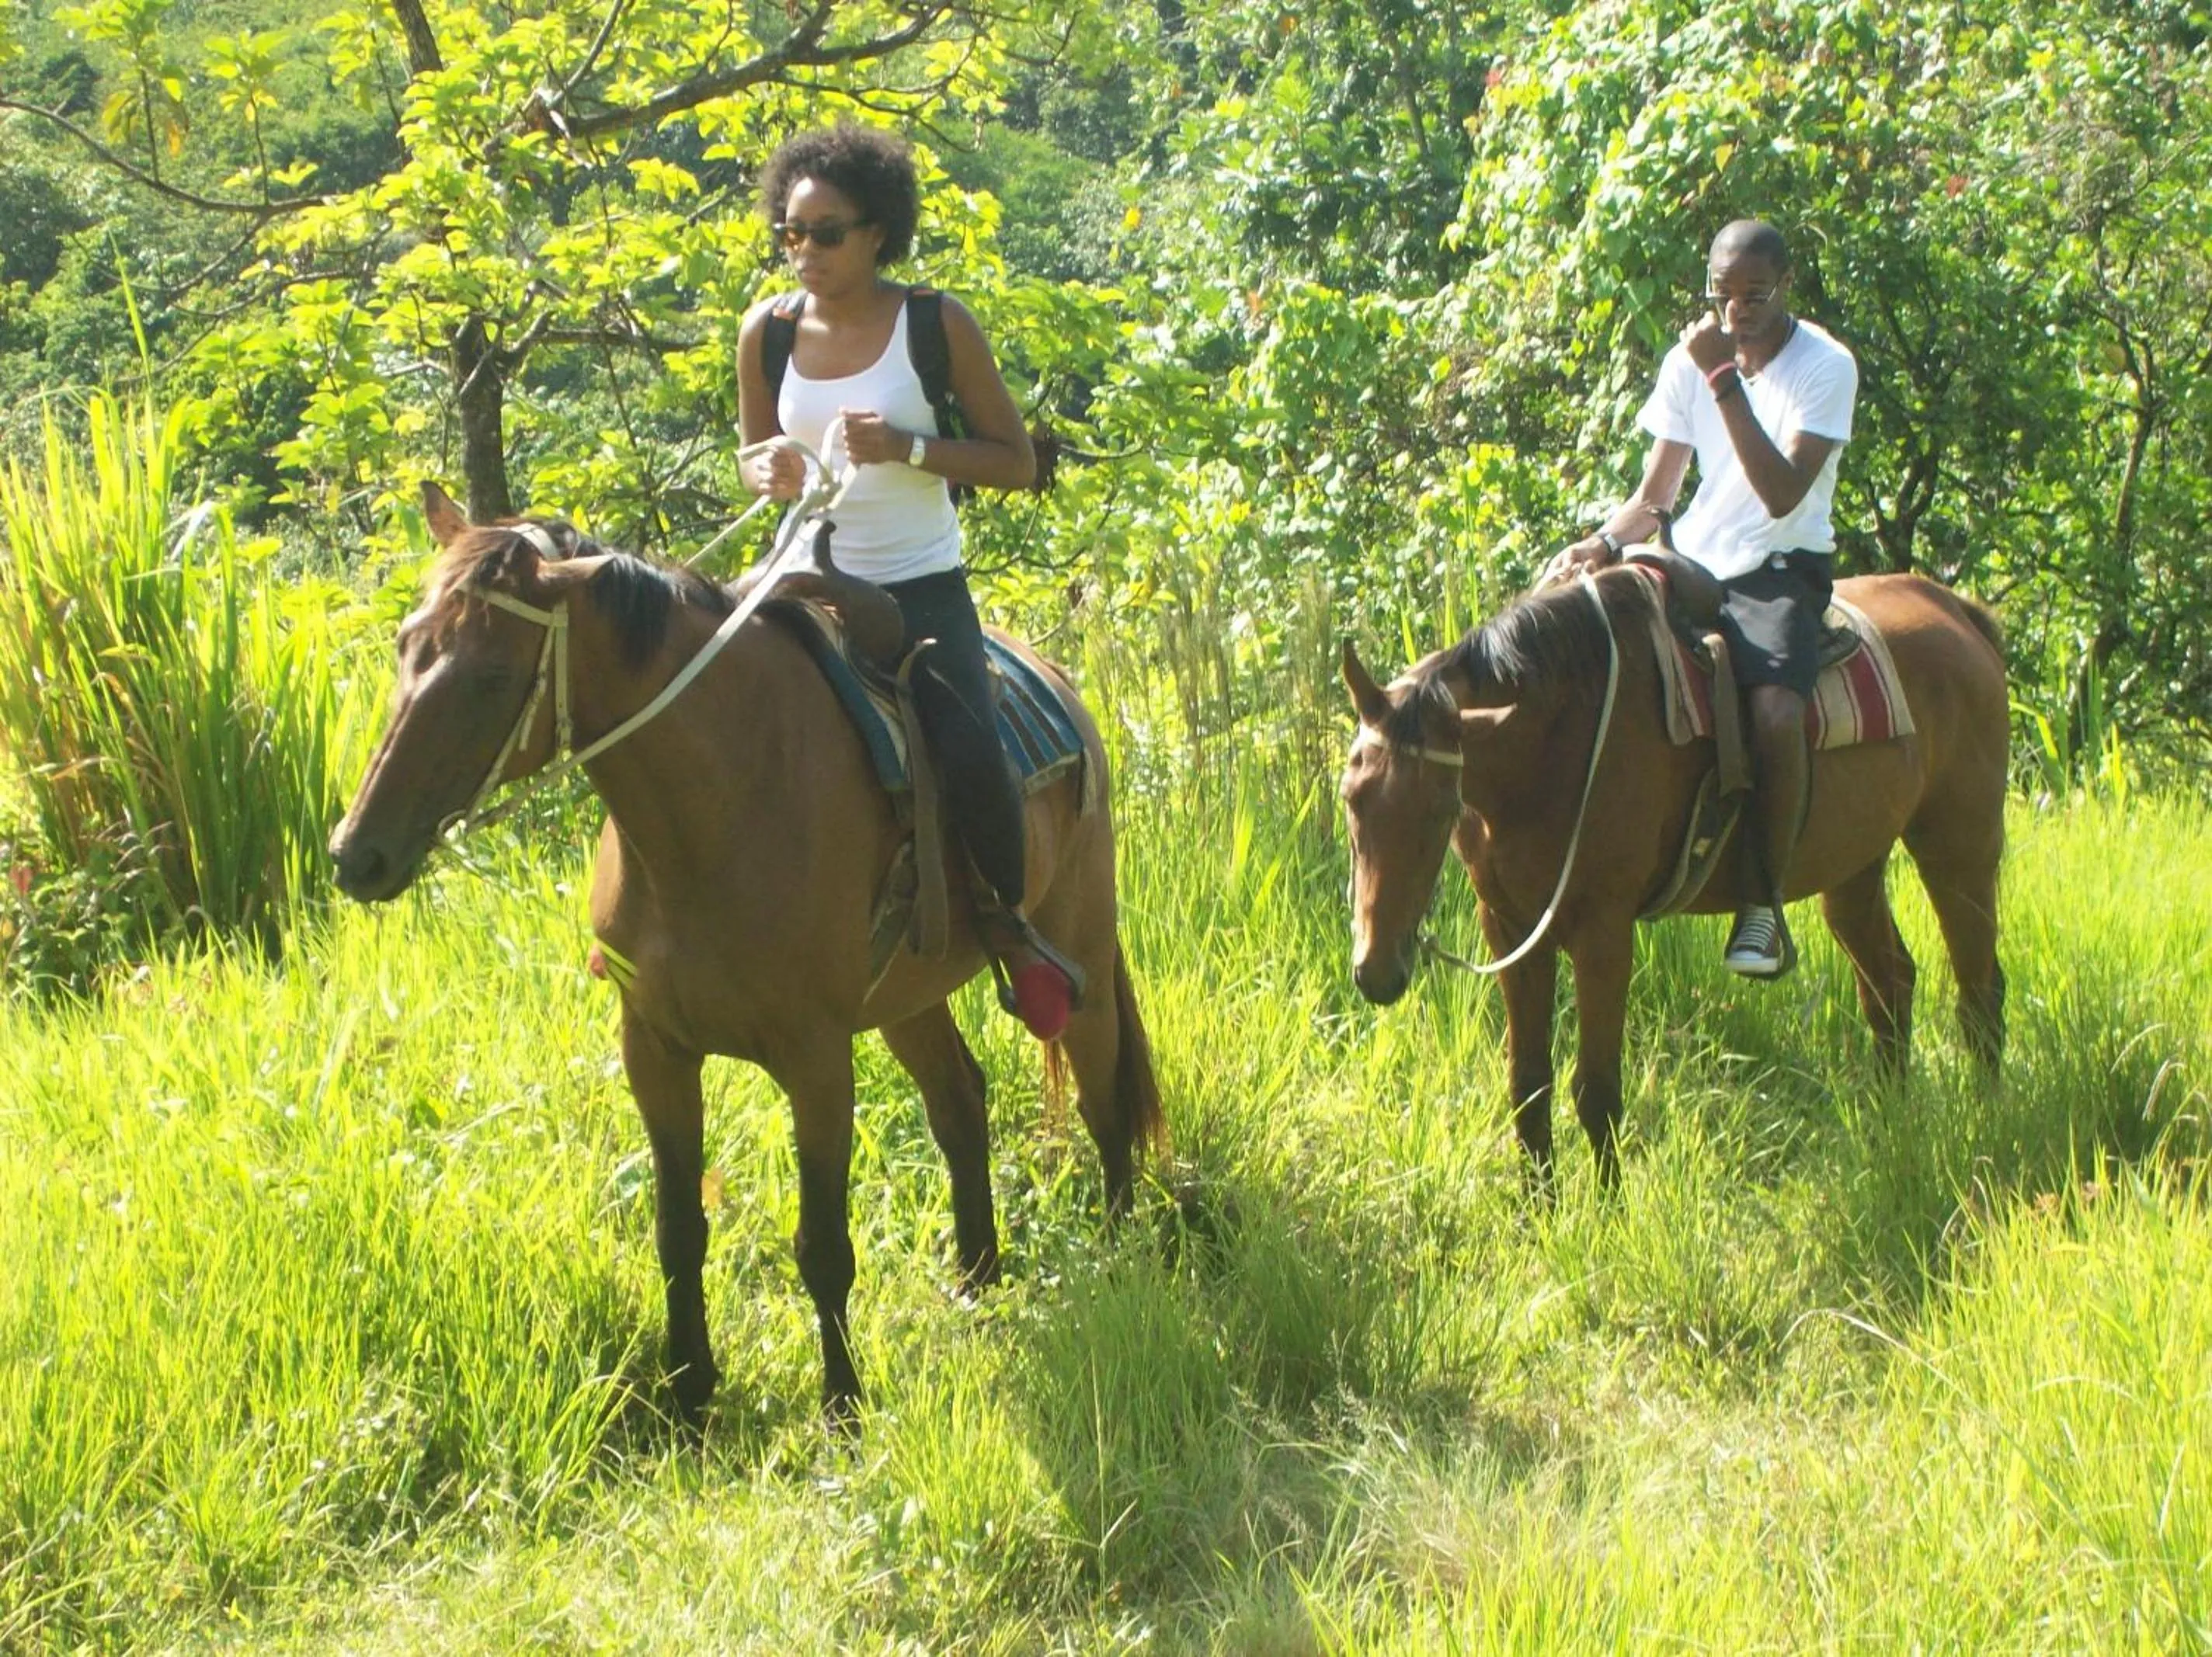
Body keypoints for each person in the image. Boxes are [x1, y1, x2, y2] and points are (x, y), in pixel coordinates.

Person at [734, 123, 1081, 1038]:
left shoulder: (934, 324)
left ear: (879, 231)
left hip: (918, 585)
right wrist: (764, 471)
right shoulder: (764, 334)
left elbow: (1012, 461)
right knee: (689, 698)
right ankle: (669, 925)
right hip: (798, 579)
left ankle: (1010, 931)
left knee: (970, 752)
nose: (803, 251)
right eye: (790, 233)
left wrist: (910, 448)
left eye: (825, 232)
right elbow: (754, 453)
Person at [1543, 219, 1859, 978]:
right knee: (1598, 664)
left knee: (1774, 710)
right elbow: (1655, 494)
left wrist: (1722, 380)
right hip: (1691, 560)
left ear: (1787, 286)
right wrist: (1604, 542)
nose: (1736, 311)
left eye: (1754, 295)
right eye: (1722, 295)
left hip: (1778, 569)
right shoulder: (1691, 360)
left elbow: (1782, 494)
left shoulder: (1825, 366)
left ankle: (1761, 904)